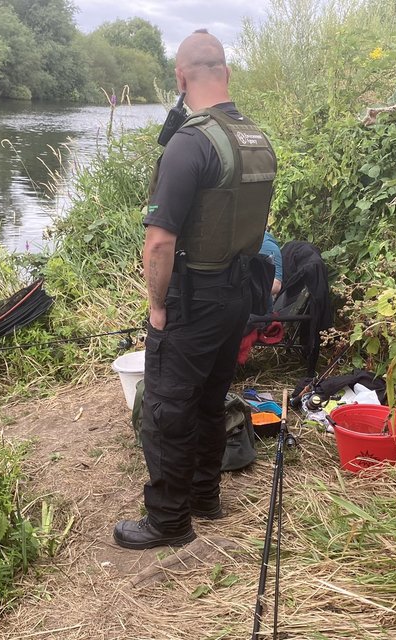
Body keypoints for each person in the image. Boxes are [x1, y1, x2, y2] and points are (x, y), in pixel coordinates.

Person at [113, 29, 277, 550]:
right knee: (209, 399)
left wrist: (157, 307)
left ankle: (168, 521)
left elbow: (160, 242)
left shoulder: (191, 142)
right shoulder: (253, 138)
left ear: (181, 79)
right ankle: (205, 497)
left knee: (167, 409)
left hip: (194, 298)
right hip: (236, 297)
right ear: (226, 74)